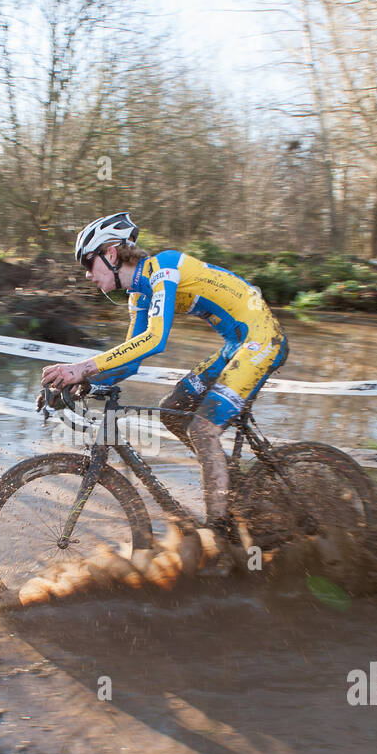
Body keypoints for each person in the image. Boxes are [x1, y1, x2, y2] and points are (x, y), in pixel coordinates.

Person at [40, 212, 289, 576]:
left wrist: (83, 366)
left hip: (261, 340)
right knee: (172, 411)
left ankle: (223, 543)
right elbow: (131, 360)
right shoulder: (140, 294)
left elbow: (155, 340)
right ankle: (226, 483)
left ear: (111, 253)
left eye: (89, 265)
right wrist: (88, 383)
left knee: (203, 431)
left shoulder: (164, 268)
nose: (88, 276)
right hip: (236, 344)